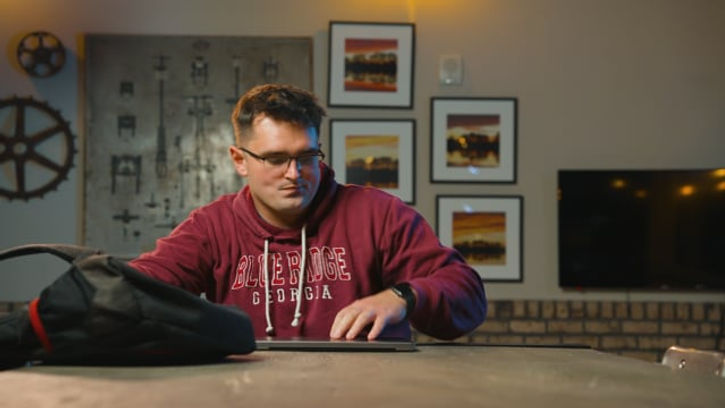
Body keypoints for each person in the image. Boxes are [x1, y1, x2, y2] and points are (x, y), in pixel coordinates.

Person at [130, 84, 487, 341]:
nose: (294, 173)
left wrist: (403, 297)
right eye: (275, 159)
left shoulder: (378, 214)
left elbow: (467, 293)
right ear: (240, 160)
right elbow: (137, 287)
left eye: (307, 156)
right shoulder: (211, 228)